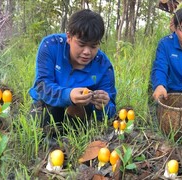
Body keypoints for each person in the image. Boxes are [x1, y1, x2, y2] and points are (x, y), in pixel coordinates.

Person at [29, 9, 117, 137]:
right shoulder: (51, 46)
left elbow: (111, 110)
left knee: (80, 127)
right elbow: (42, 86)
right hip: (46, 106)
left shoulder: (103, 65)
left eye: (93, 46)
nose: (87, 52)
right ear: (69, 37)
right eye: (81, 44)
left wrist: (103, 105)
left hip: (80, 115)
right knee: (43, 123)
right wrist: (68, 95)